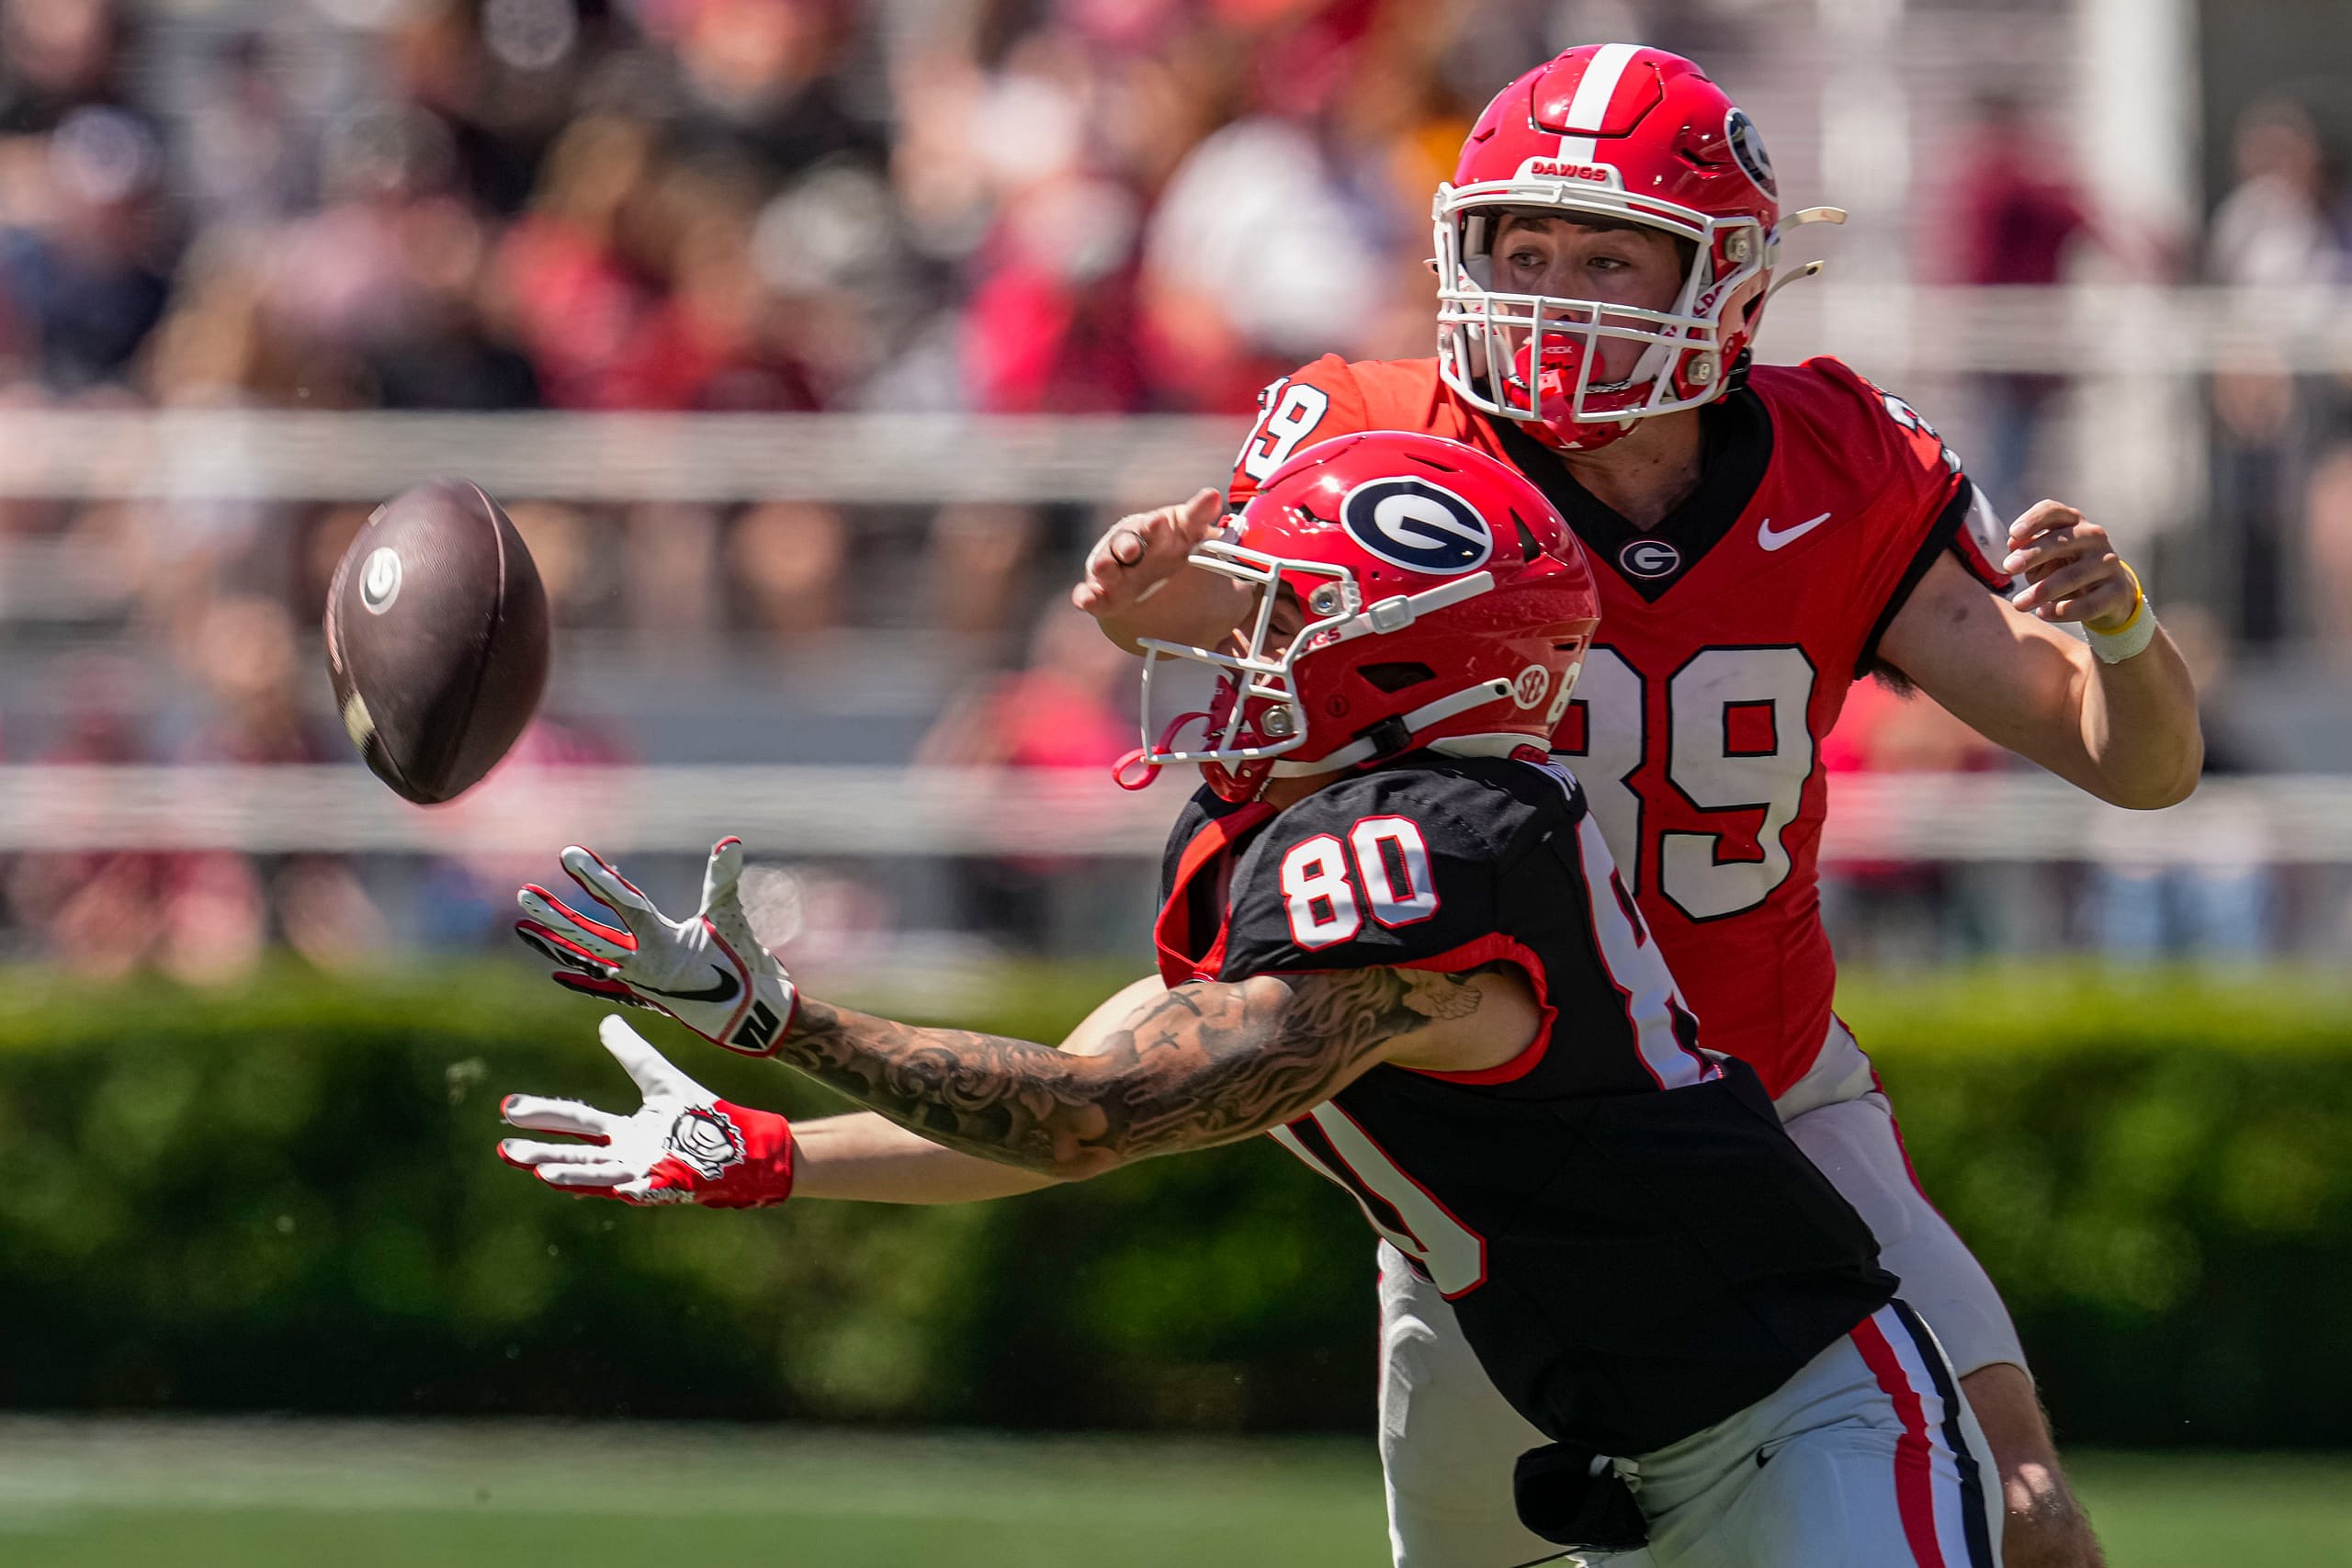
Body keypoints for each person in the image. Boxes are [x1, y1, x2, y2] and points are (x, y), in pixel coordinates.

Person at [1067, 45, 2202, 1568]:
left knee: (2027, 1518)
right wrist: (1159, 591)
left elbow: (2132, 761)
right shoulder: (1385, 431)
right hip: (1511, 1156)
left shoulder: (1838, 462)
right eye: (1521, 248)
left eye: (1611, 253)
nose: (1556, 289)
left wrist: (2121, 630)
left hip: (1773, 1106)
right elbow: (1226, 611)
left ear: (1726, 282)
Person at [502, 433, 2000, 1567]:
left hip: (1810, 1435)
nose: (1235, 648)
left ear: (1397, 664)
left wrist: (786, 1023)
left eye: (1284, 616)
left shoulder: (1435, 859)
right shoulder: (1314, 840)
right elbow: (1073, 1075)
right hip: (1633, 1440)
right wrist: (770, 1152)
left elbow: (1096, 1118)